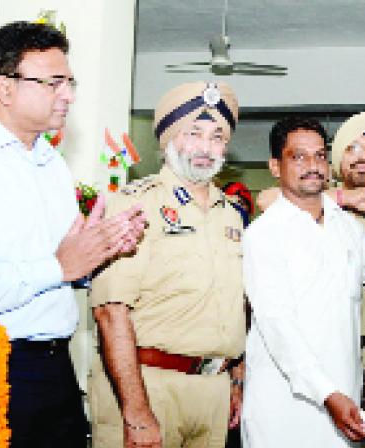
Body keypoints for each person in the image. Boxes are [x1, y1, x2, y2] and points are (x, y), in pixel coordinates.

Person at [0, 21, 145, 447]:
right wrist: (58, 266)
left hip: (56, 364)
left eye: (69, 83)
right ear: (5, 88)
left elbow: (64, 265)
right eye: (53, 83)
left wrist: (100, 252)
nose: (68, 95)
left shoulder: (50, 163)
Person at [90, 81, 246, 448]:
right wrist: (136, 411)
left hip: (214, 392)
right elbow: (111, 313)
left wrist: (236, 379)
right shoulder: (132, 206)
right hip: (147, 384)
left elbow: (239, 306)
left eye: (217, 136)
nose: (206, 148)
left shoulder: (234, 216)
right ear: (169, 141)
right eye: (194, 134)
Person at [241, 117, 365, 447]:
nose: (312, 166)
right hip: (283, 411)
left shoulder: (348, 228)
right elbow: (277, 325)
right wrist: (326, 393)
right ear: (275, 166)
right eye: (298, 157)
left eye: (319, 155)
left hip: (345, 406)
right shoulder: (263, 235)